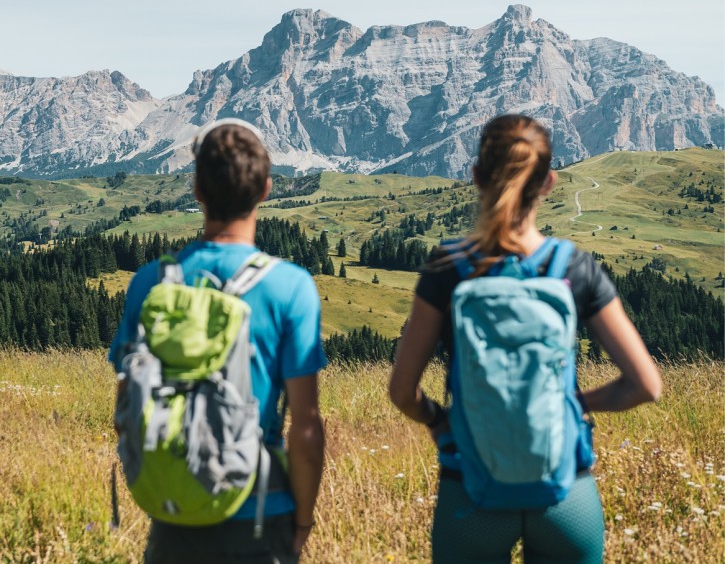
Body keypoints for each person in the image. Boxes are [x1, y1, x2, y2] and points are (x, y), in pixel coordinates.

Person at [389, 114, 662, 563]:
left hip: (469, 490)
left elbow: (402, 391)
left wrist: (440, 422)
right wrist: (575, 404)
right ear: (550, 182)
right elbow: (646, 385)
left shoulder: (449, 265)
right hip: (564, 492)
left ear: (475, 176)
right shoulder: (573, 266)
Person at [109, 119, 326, 564]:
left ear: (197, 190)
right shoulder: (291, 287)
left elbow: (125, 408)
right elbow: (305, 429)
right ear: (266, 189)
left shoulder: (150, 283)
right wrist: (302, 522)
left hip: (175, 514)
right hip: (262, 513)